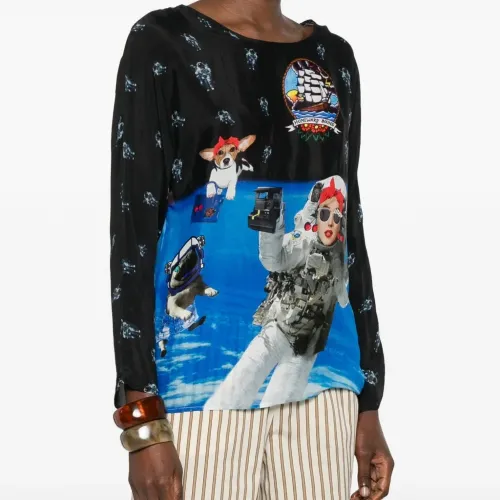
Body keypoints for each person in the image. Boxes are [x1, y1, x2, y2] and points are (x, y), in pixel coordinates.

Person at [109, 1, 394, 499]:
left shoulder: (334, 58)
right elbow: (133, 235)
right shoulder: (162, 42)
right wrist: (141, 419)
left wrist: (369, 399)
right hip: (194, 392)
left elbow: (351, 235)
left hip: (326, 381)